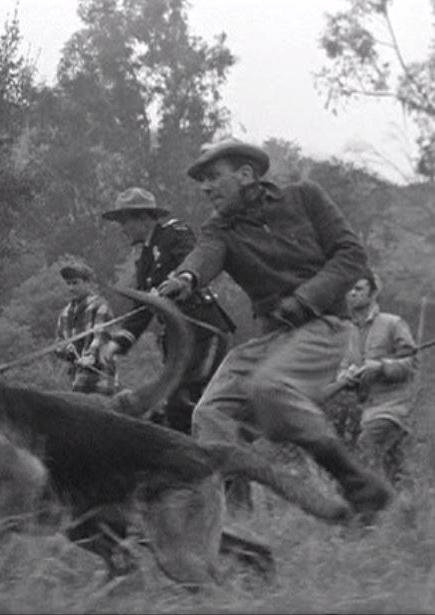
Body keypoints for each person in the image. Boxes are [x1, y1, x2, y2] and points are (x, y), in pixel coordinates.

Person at [156, 137, 393, 519]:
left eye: (213, 177)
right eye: (201, 181)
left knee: (268, 388)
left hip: (326, 324)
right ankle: (234, 520)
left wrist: (305, 298)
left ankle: (357, 483)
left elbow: (351, 255)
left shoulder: (304, 197)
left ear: (246, 174)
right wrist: (185, 277)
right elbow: (204, 256)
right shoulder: (219, 229)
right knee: (211, 414)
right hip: (272, 339)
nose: (205, 188)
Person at [98, 187, 235, 434]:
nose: (122, 228)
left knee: (188, 400)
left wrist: (178, 281)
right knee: (175, 406)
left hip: (202, 333)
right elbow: (142, 309)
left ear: (144, 218)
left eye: (125, 220)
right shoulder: (145, 260)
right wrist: (118, 342)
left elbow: (192, 257)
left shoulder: (174, 232)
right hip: (175, 343)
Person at [335, 272, 418, 485]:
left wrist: (381, 366)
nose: (352, 293)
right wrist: (346, 376)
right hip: (369, 409)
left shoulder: (393, 324)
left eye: (359, 289)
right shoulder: (347, 332)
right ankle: (407, 510)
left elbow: (411, 365)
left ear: (372, 294)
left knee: (366, 448)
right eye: (350, 289)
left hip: (396, 407)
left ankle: (366, 507)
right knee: (397, 472)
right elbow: (343, 367)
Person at [54, 261, 120, 395]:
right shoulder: (65, 314)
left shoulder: (100, 306)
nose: (71, 288)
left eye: (75, 283)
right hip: (77, 378)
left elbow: (101, 336)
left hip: (101, 376)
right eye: (68, 284)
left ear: (88, 283)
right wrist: (65, 349)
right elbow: (58, 343)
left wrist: (90, 356)